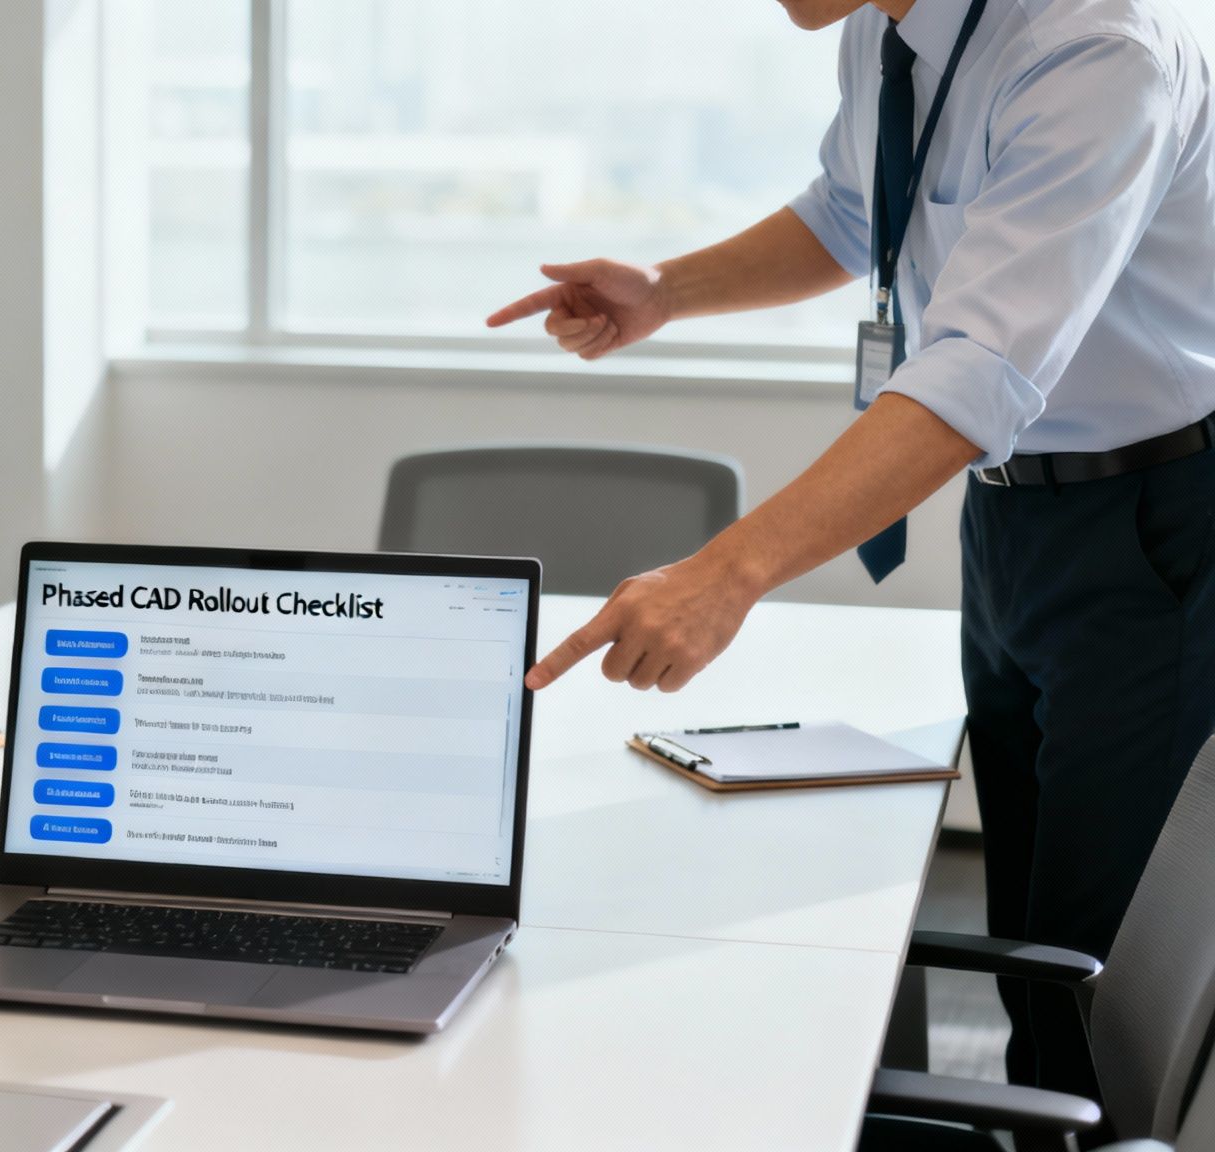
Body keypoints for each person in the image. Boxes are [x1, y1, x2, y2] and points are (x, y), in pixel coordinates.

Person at [490, 0, 1214, 1132]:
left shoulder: (1095, 52)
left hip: (1156, 521)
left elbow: (975, 370)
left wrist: (726, 573)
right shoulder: (885, 29)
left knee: (1097, 962)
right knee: (1032, 926)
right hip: (1013, 517)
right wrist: (667, 291)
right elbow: (846, 212)